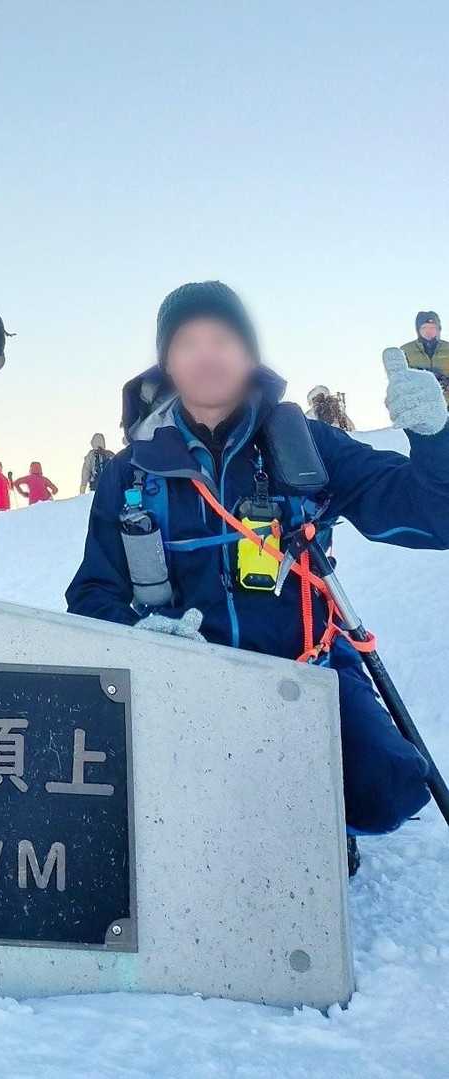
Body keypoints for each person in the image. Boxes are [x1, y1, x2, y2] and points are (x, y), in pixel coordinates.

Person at [66, 281, 448, 865]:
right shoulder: (132, 472)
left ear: (249, 354)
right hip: (188, 686)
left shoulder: (306, 446)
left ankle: (322, 809)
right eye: (188, 343)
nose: (207, 356)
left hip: (306, 669)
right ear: (167, 363)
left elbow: (433, 516)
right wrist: (136, 636)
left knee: (388, 788)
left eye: (223, 339)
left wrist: (435, 439)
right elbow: (92, 592)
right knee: (156, 798)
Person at [401, 311, 449, 398]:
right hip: (418, 402)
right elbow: (398, 377)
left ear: (438, 329)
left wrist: (445, 382)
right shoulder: (405, 350)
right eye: (424, 328)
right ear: (418, 330)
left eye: (432, 327)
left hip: (445, 402)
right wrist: (423, 377)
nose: (428, 331)